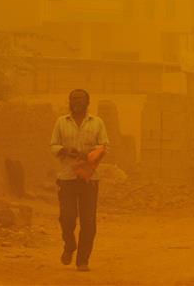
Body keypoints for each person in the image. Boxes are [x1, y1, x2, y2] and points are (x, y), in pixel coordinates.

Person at [49, 89, 109, 272]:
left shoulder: (97, 123)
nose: (77, 102)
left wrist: (89, 155)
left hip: (89, 179)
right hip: (66, 177)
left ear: (87, 102)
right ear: (69, 102)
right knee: (66, 218)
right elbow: (53, 145)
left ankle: (83, 260)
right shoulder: (61, 122)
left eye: (80, 99)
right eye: (73, 99)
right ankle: (69, 245)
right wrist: (65, 151)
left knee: (88, 222)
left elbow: (104, 146)